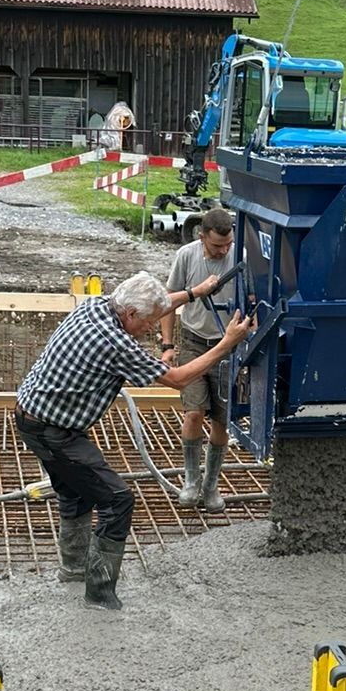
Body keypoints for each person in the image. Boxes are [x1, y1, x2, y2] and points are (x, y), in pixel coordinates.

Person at [16, 272, 253, 611]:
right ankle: (99, 595)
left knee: (76, 492)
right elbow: (178, 379)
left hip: (34, 415)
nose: (152, 330)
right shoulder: (115, 342)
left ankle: (73, 570)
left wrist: (192, 292)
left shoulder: (97, 306)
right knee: (118, 500)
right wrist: (226, 343)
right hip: (52, 430)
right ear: (130, 316)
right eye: (149, 323)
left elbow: (158, 303)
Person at [160, 209, 236, 510]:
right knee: (194, 413)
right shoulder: (186, 256)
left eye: (227, 243)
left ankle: (211, 485)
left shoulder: (240, 254)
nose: (224, 250)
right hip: (193, 342)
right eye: (217, 245)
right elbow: (168, 300)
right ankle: (191, 480)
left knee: (222, 420)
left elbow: (257, 300)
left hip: (227, 345)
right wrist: (167, 345)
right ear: (202, 236)